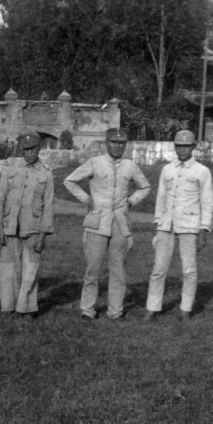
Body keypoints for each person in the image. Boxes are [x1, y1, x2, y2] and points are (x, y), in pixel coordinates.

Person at [63, 128, 150, 321]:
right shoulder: (95, 163)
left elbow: (145, 187)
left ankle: (115, 311)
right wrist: (87, 200)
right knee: (93, 269)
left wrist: (131, 201)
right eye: (113, 142)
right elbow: (70, 181)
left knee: (118, 269)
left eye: (121, 143)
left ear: (125, 145)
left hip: (120, 222)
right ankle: (87, 310)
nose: (117, 146)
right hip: (97, 221)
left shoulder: (130, 166)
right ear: (106, 143)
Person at [144, 130, 213, 322]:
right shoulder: (167, 170)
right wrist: (158, 223)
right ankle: (152, 307)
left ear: (193, 147)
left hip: (190, 225)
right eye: (179, 146)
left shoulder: (202, 171)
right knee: (159, 269)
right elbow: (161, 197)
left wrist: (203, 229)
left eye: (186, 146)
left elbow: (207, 202)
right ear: (174, 147)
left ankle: (185, 309)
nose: (182, 150)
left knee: (189, 270)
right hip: (166, 224)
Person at [0, 133, 54, 318]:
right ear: (22, 150)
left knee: (30, 269)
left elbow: (49, 206)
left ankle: (26, 308)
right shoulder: (10, 169)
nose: (29, 153)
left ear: (39, 149)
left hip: (33, 228)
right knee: (8, 268)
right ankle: (8, 306)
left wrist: (43, 234)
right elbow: (0, 198)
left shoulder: (46, 174)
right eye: (26, 149)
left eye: (33, 149)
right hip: (10, 225)